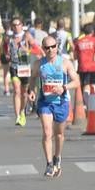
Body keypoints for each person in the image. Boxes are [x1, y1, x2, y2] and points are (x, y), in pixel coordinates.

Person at [31, 34, 77, 177]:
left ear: (57, 47)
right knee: (47, 132)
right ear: (43, 49)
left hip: (61, 102)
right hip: (45, 102)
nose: (50, 50)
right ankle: (49, 164)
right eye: (47, 47)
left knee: (59, 134)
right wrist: (31, 91)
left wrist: (64, 87)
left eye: (53, 47)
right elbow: (32, 78)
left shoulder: (65, 63)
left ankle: (57, 157)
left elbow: (76, 82)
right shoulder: (39, 64)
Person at [4, 17, 39, 128]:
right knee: (16, 90)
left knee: (24, 93)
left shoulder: (26, 36)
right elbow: (5, 49)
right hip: (14, 67)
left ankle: (23, 111)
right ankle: (18, 116)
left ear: (21, 25)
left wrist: (27, 50)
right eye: (13, 25)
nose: (16, 27)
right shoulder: (9, 38)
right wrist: (7, 55)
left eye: (18, 24)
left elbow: (37, 49)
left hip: (25, 68)